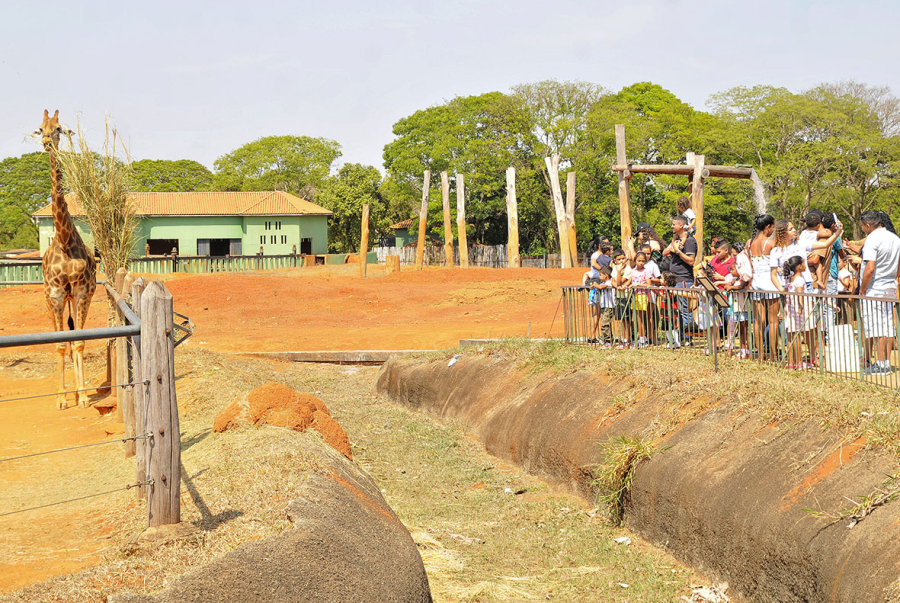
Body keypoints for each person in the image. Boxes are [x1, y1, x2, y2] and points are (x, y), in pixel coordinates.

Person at [769, 219, 843, 367]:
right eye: (791, 229)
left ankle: (814, 355)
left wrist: (838, 233)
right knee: (792, 327)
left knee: (810, 325)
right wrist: (781, 290)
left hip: (806, 287)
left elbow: (824, 244)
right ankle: (793, 360)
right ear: (782, 232)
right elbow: (773, 274)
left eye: (794, 227)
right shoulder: (776, 251)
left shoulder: (801, 243)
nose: (795, 230)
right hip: (789, 290)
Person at [858, 210, 900, 375]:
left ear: (868, 225)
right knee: (888, 326)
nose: (863, 230)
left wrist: (862, 290)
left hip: (874, 288)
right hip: (889, 285)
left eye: (863, 227)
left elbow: (870, 268)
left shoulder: (872, 239)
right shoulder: (895, 238)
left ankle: (882, 365)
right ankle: (885, 362)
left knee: (876, 328)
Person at [663, 215, 697, 346]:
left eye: (673, 224)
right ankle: (681, 336)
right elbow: (664, 253)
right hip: (674, 279)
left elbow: (691, 261)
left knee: (685, 309)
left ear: (681, 225)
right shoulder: (677, 239)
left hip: (684, 279)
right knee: (678, 311)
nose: (672, 226)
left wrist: (677, 252)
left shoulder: (690, 241)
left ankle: (688, 337)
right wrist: (673, 247)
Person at [782, 255, 812, 369]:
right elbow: (800, 293)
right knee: (798, 338)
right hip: (797, 312)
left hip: (790, 311)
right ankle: (799, 363)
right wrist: (801, 307)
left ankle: (791, 363)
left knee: (791, 338)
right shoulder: (799, 279)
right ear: (799, 266)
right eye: (804, 263)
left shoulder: (790, 279)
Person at [727, 242, 752, 358]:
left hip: (745, 307)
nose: (733, 258)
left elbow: (742, 285)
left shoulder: (745, 270)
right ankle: (742, 349)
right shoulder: (736, 276)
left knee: (745, 329)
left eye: (735, 255)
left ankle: (747, 350)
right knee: (741, 329)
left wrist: (731, 287)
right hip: (738, 307)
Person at [629, 251, 657, 348]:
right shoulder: (633, 271)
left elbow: (648, 285)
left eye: (643, 261)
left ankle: (642, 339)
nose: (641, 263)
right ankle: (640, 338)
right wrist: (624, 286)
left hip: (643, 295)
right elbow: (630, 281)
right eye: (639, 260)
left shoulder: (646, 271)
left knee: (639, 318)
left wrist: (638, 285)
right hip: (635, 295)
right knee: (635, 319)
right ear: (635, 261)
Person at [585, 265, 615, 346]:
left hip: (609, 306)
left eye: (600, 275)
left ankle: (608, 341)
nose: (599, 276)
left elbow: (601, 287)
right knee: (604, 324)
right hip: (604, 306)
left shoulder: (609, 282)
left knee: (605, 324)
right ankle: (607, 340)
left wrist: (595, 284)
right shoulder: (603, 282)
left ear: (606, 275)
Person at [611, 249, 633, 348]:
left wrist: (619, 272)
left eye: (623, 258)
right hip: (619, 297)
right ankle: (623, 338)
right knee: (621, 319)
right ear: (615, 260)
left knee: (627, 320)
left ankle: (627, 340)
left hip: (626, 297)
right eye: (619, 259)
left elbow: (620, 282)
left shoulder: (628, 269)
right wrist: (617, 287)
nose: (621, 261)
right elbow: (613, 281)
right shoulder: (614, 268)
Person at [657, 271, 680, 348]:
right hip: (665, 310)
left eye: (662, 278)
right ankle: (670, 341)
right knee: (666, 327)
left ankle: (676, 342)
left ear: (667, 280)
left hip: (672, 311)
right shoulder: (662, 289)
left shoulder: (672, 290)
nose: (660, 280)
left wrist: (658, 291)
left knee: (673, 327)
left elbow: (666, 298)